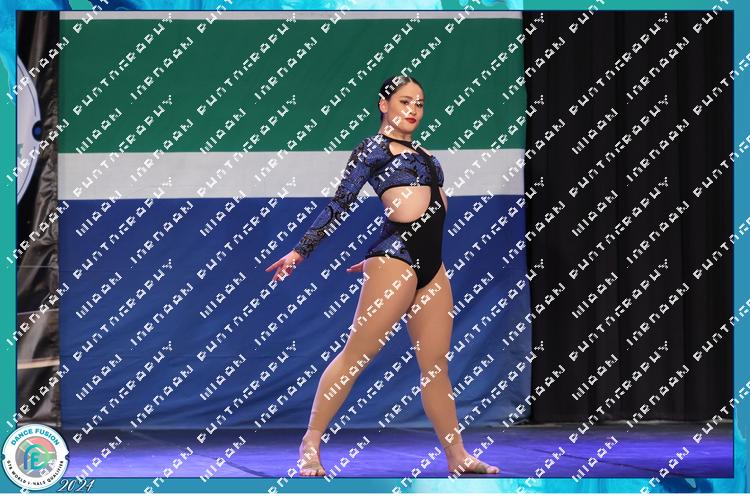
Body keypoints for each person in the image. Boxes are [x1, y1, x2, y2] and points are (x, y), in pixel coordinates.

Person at [266, 75, 500, 477]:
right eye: (404, 101)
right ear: (383, 104)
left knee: (436, 367)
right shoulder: (372, 149)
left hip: (432, 266)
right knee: (357, 355)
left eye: (419, 103)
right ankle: (310, 444)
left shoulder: (426, 155)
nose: (413, 110)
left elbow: (422, 209)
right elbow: (340, 203)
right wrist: (300, 251)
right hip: (396, 261)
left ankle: (457, 455)